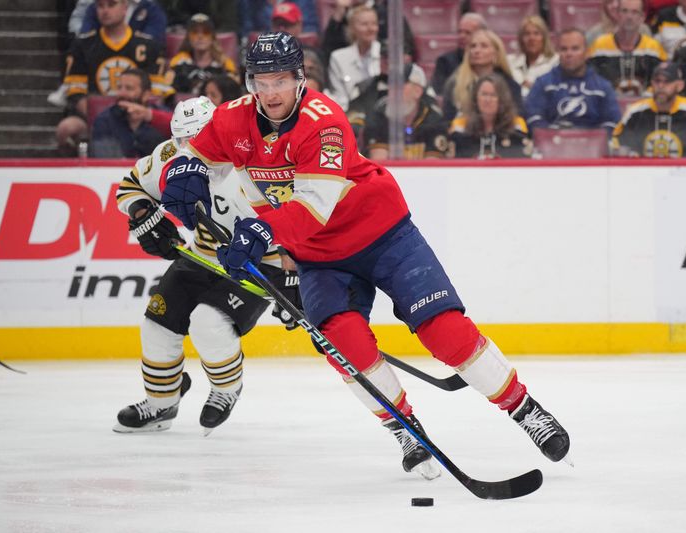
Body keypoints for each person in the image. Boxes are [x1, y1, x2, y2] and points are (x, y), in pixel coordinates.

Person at [158, 32, 571, 479]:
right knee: (346, 348)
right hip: (320, 258)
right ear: (249, 81)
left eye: (281, 79)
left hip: (383, 235)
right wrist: (181, 169)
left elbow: (313, 209)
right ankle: (404, 429)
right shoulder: (231, 118)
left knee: (444, 332)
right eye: (261, 80)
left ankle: (524, 409)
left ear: (300, 79)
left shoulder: (326, 122)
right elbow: (194, 153)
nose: (271, 91)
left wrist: (261, 232)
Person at [113, 95, 302, 434]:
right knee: (156, 325)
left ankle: (226, 389)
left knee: (208, 323)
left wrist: (294, 276)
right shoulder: (172, 157)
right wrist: (143, 214)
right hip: (202, 255)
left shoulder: (258, 160)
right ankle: (161, 402)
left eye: (197, 139)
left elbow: (298, 217)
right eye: (183, 140)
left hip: (260, 263)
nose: (190, 148)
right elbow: (131, 186)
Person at [55, 0, 170, 156]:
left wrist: (136, 114)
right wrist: (100, 117)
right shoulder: (83, 44)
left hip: (140, 114)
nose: (105, 11)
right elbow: (76, 92)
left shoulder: (148, 45)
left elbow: (156, 94)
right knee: (66, 128)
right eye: (100, 6)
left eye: (111, 4)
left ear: (125, 7)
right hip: (91, 115)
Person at [525, 28, 621, 134]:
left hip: (591, 147)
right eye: (564, 49)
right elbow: (533, 118)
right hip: (552, 145)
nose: (569, 54)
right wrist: (551, 136)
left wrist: (593, 139)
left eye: (575, 49)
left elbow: (612, 122)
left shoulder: (602, 87)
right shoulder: (543, 84)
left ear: (587, 53)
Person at [612, 62, 686, 157]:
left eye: (667, 82)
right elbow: (616, 142)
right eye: (657, 81)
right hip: (643, 172)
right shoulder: (635, 112)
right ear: (651, 83)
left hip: (684, 173)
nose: (660, 86)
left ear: (680, 86)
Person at [365, 63, 448, 160]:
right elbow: (380, 163)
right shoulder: (379, 115)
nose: (393, 91)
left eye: (400, 86)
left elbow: (433, 166)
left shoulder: (434, 120)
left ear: (417, 91)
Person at [442, 28, 524, 122]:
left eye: (484, 46)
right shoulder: (454, 83)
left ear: (496, 53)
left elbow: (516, 119)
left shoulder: (510, 85)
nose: (476, 51)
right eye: (473, 46)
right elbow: (447, 121)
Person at [588, 0, 667, 95]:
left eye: (634, 12)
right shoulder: (599, 46)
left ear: (642, 17)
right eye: (624, 11)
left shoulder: (654, 48)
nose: (629, 17)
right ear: (617, 14)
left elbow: (663, 83)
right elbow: (590, 82)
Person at [449, 73, 532, 159]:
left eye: (493, 95)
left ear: (502, 100)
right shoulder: (459, 128)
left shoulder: (517, 127)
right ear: (475, 98)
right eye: (484, 94)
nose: (488, 100)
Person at [90, 68, 169, 157]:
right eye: (119, 87)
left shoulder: (162, 116)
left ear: (146, 95)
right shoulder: (104, 120)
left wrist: (147, 115)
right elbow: (104, 160)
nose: (122, 93)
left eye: (129, 88)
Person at [165, 14, 239, 96]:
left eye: (206, 32)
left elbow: (234, 94)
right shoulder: (178, 63)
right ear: (188, 37)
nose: (200, 36)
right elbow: (166, 91)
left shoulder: (225, 65)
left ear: (212, 37)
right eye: (195, 32)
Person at [327, 5, 381, 110]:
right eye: (364, 24)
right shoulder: (338, 58)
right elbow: (339, 97)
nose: (370, 29)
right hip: (350, 115)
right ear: (352, 28)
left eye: (374, 24)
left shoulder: (386, 55)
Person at [432, 12, 487, 95]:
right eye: (460, 32)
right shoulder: (444, 62)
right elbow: (440, 93)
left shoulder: (491, 62)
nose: (462, 36)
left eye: (467, 33)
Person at [506, 15, 558, 99]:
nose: (532, 38)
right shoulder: (509, 61)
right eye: (527, 34)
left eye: (536, 33)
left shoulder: (555, 61)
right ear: (521, 39)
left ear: (544, 38)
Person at [586, 0, 652, 45]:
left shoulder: (643, 29)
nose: (615, 5)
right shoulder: (594, 33)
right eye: (610, 2)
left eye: (618, 1)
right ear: (605, 7)